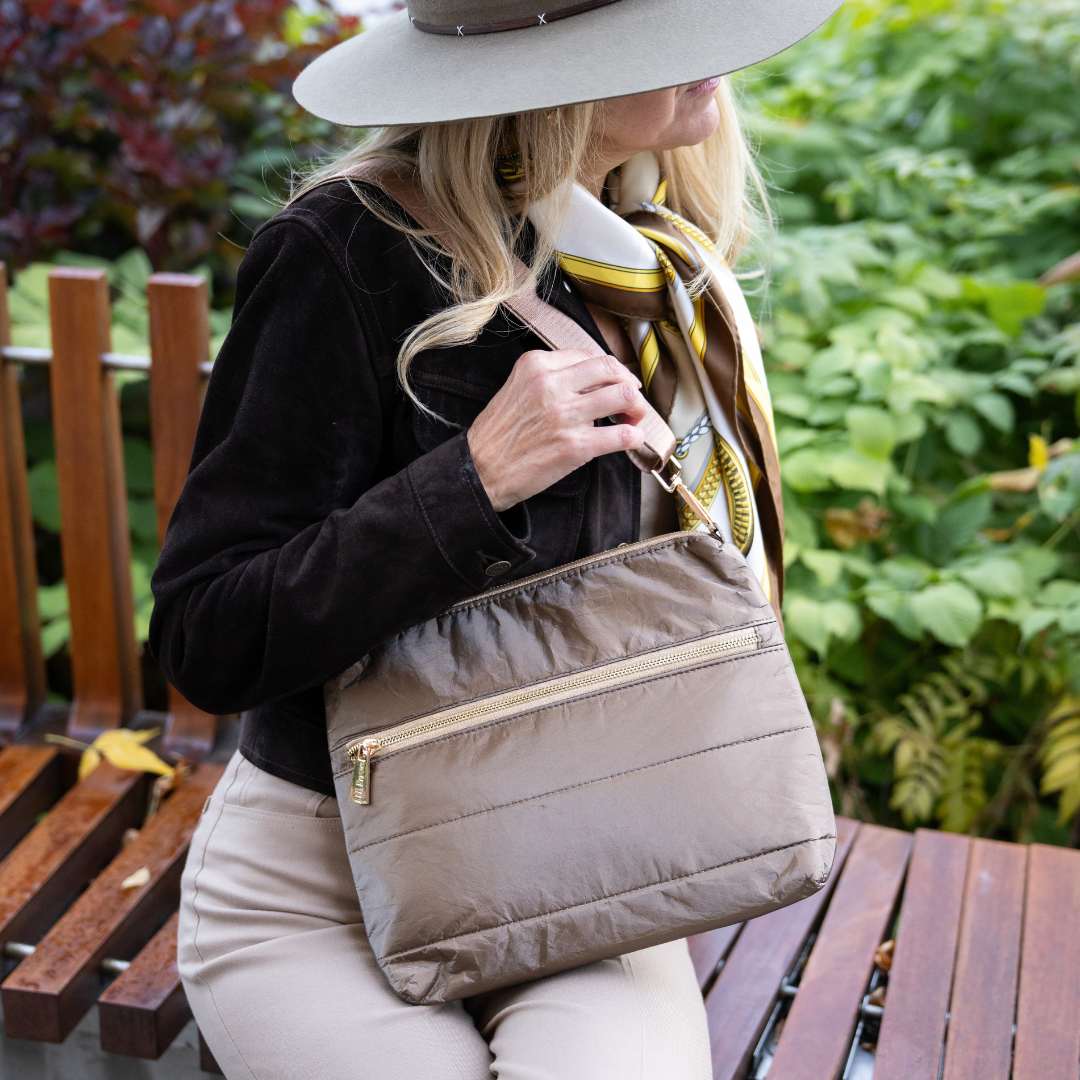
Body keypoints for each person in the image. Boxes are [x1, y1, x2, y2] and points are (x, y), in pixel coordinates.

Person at [148, 1, 843, 1076]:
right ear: (545, 72)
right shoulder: (348, 255)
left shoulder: (654, 264)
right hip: (318, 879)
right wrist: (467, 484)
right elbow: (207, 638)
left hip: (583, 851)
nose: (715, 51)